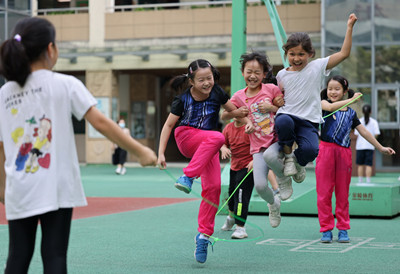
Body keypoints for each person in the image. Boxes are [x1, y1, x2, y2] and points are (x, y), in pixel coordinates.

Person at [0, 17, 157, 274]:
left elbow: (0, 146)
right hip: (57, 186)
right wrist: (140, 151)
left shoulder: (5, 93)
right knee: (54, 255)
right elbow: (102, 123)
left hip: (19, 188)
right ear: (51, 49)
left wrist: (3, 189)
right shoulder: (65, 84)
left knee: (17, 257)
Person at [157, 59, 254, 264]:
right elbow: (167, 126)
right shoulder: (182, 100)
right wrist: (161, 153)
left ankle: (203, 236)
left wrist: (248, 124)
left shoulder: (217, 92)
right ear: (191, 81)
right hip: (186, 138)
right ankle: (188, 176)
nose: (207, 83)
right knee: (218, 137)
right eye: (201, 80)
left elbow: (233, 109)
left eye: (209, 78)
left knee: (214, 189)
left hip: (207, 145)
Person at [267, 14, 358, 200]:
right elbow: (277, 97)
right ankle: (289, 157)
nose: (296, 58)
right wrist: (276, 102)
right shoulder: (281, 75)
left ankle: (299, 163)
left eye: (301, 54)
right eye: (292, 54)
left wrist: (349, 27)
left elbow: (344, 54)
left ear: (310, 54)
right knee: (283, 120)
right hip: (288, 116)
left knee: (311, 151)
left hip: (308, 121)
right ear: (286, 54)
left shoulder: (317, 66)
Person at [316, 75, 395, 243]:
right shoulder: (323, 105)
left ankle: (343, 228)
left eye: (337, 89)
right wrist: (351, 100)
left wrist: (380, 147)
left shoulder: (351, 114)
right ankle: (326, 229)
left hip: (344, 154)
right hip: (325, 152)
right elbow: (330, 108)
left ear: (344, 91)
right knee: (324, 194)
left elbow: (365, 132)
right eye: (330, 88)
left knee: (343, 194)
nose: (333, 92)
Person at [221, 51, 285, 229]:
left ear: (264, 74)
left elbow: (284, 108)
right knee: (259, 185)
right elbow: (225, 114)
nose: (253, 76)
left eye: (257, 72)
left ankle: (285, 178)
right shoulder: (239, 96)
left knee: (274, 159)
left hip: (275, 141)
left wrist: (271, 106)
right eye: (249, 71)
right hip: (257, 148)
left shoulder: (271, 89)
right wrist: (238, 113)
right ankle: (274, 203)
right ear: (242, 72)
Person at [220, 118, 279, 239]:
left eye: (240, 111)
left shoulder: (250, 128)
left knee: (241, 197)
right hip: (234, 167)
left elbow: (261, 146)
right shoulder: (228, 128)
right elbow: (222, 142)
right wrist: (223, 148)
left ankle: (240, 227)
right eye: (234, 111)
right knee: (231, 195)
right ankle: (231, 218)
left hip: (248, 168)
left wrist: (254, 160)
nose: (237, 114)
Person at [355, 104, 380, 183]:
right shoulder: (374, 122)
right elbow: (376, 133)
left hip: (360, 146)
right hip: (370, 146)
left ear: (362, 112)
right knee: (368, 164)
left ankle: (360, 180)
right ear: (370, 112)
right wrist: (372, 140)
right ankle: (368, 181)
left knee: (360, 164)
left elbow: (356, 133)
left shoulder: (359, 121)